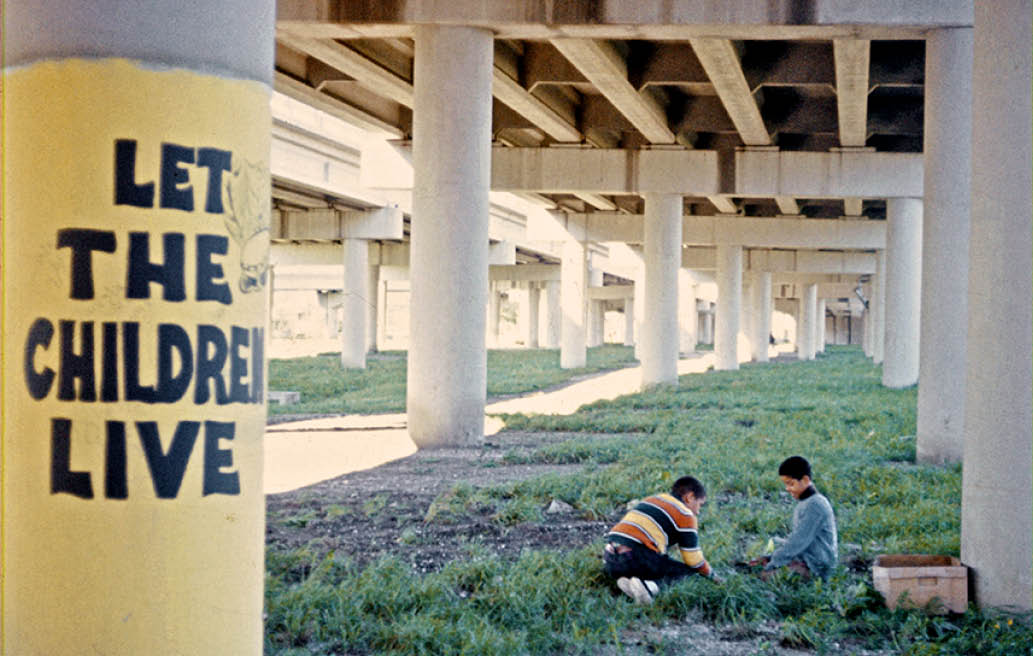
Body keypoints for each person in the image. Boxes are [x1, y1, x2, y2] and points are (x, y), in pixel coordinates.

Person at [602, 475, 715, 604]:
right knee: (690, 574)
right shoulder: (685, 514)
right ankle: (649, 588)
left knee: (661, 562)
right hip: (636, 557)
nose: (698, 511)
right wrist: (712, 576)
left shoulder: (652, 499)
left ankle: (628, 582)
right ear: (689, 497)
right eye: (700, 504)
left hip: (609, 560)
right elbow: (693, 560)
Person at [758, 455, 838, 580]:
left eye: (791, 484)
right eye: (785, 484)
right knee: (773, 544)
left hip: (817, 565)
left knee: (764, 576)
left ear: (805, 480)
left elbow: (798, 541)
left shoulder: (815, 505)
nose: (787, 489)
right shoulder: (807, 502)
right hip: (806, 555)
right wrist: (770, 557)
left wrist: (773, 563)